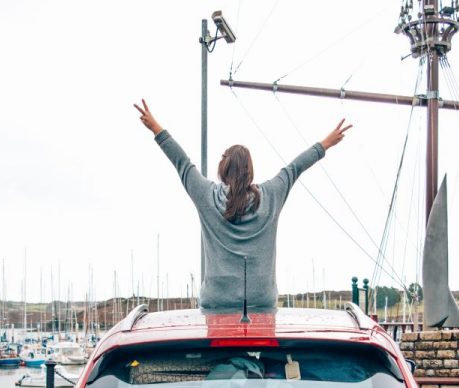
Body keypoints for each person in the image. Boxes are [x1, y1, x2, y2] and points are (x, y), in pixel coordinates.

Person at [134, 99, 351, 311]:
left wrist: (156, 128)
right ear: (250, 169)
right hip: (262, 302)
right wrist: (326, 143)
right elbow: (295, 167)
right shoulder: (271, 194)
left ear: (223, 168)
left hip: (216, 302)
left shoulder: (206, 195)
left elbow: (181, 162)